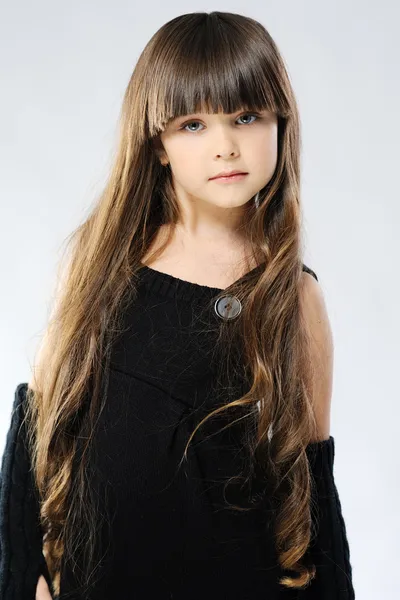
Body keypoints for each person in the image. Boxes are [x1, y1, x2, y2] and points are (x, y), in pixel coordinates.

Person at [0, 10, 355, 600]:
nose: (226, 146)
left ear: (281, 126)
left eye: (247, 116)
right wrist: (23, 577)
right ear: (158, 144)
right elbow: (37, 431)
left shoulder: (293, 296)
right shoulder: (98, 268)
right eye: (193, 124)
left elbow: (313, 485)